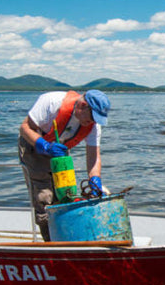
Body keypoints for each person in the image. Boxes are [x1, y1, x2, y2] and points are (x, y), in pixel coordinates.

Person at [18, 89, 111, 240]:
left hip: (59, 152)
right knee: (45, 196)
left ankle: (67, 237)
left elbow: (93, 156)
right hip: (34, 145)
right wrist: (45, 146)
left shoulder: (93, 126)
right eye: (92, 117)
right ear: (82, 105)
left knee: (65, 194)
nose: (93, 122)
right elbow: (25, 128)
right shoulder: (51, 102)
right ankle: (51, 242)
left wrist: (95, 180)